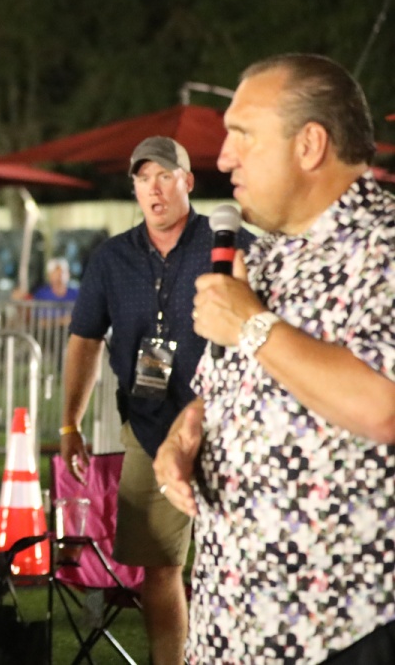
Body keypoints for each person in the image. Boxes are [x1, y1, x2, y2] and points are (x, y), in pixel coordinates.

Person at [155, 54, 395, 665]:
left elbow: (385, 407)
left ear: (309, 144)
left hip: (342, 628)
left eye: (243, 135)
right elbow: (228, 388)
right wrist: (186, 433)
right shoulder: (263, 257)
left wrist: (253, 324)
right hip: (234, 623)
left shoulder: (384, 246)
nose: (223, 158)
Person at [58, 135, 249, 665]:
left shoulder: (230, 245)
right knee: (160, 565)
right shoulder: (111, 258)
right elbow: (85, 339)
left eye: (165, 176)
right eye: (143, 179)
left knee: (237, 561)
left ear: (188, 181)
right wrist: (69, 424)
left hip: (231, 426)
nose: (154, 189)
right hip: (148, 428)